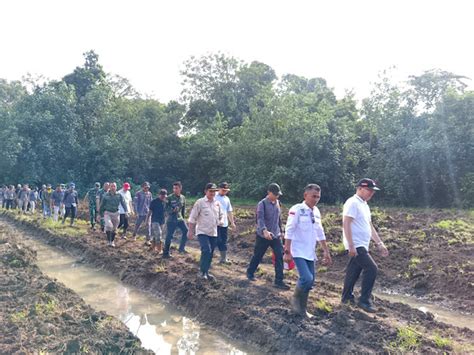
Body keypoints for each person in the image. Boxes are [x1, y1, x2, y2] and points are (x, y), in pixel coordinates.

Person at [341, 178, 389, 313]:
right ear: (360, 188)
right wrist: (351, 245)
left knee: (353, 272)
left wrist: (379, 243)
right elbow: (346, 223)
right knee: (372, 268)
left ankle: (346, 298)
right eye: (369, 190)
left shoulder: (364, 205)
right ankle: (364, 300)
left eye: (373, 191)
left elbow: (369, 226)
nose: (371, 193)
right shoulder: (352, 203)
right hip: (356, 244)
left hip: (362, 244)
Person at [284, 184, 332, 317]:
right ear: (305, 195)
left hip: (310, 251)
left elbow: (320, 231)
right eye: (313, 196)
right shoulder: (297, 209)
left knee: (310, 282)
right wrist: (287, 251)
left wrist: (326, 251)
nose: (316, 199)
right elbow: (289, 229)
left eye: (318, 197)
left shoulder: (316, 211)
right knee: (306, 278)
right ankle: (295, 300)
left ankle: (302, 309)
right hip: (298, 250)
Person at [246, 183, 290, 290]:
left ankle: (278, 281)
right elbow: (259, 219)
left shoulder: (278, 203)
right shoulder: (262, 204)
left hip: (276, 235)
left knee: (279, 256)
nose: (277, 196)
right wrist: (264, 231)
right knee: (258, 255)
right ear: (269, 192)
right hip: (263, 236)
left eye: (278, 194)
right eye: (275, 194)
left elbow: (279, 219)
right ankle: (250, 272)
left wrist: (282, 231)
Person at [187, 183, 224, 280]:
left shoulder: (217, 203)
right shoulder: (200, 202)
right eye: (210, 191)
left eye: (214, 191)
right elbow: (192, 217)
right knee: (206, 250)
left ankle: (206, 272)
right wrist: (190, 231)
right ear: (206, 191)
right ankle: (201, 271)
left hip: (213, 232)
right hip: (202, 231)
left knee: (211, 252)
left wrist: (220, 222)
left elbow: (221, 216)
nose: (212, 193)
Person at [163, 181, 188, 258]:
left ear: (180, 188)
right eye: (174, 188)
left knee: (186, 231)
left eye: (176, 188)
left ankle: (181, 248)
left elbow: (183, 209)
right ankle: (166, 253)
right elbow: (165, 208)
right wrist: (171, 210)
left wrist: (184, 218)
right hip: (171, 219)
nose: (175, 190)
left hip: (180, 218)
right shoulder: (169, 197)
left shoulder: (183, 197)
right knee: (169, 236)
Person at [214, 182, 236, 264]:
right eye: (223, 190)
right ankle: (208, 256)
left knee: (223, 241)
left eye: (226, 190)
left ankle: (223, 259)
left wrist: (232, 223)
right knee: (216, 240)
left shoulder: (227, 199)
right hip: (215, 223)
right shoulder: (214, 196)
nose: (224, 192)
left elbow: (229, 211)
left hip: (224, 224)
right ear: (219, 189)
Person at [100, 182, 127, 247]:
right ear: (110, 187)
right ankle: (108, 240)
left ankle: (111, 241)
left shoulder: (119, 195)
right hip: (107, 213)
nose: (113, 188)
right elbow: (102, 205)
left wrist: (126, 211)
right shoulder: (105, 195)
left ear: (116, 187)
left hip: (116, 213)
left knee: (114, 229)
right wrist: (100, 214)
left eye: (114, 186)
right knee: (109, 226)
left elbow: (123, 203)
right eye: (112, 186)